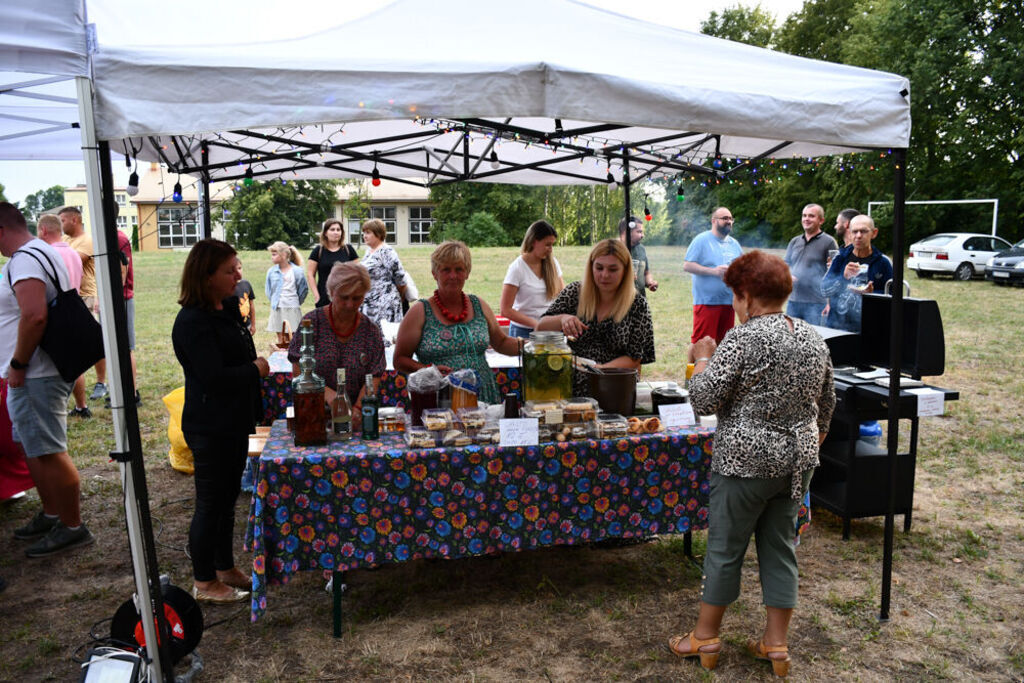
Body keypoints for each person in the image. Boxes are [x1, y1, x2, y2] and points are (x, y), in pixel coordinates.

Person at [667, 250, 835, 677]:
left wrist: (703, 355)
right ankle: (775, 645)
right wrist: (807, 441)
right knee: (781, 548)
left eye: (734, 297)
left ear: (744, 295)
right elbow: (829, 402)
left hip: (744, 461)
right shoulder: (812, 336)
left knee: (724, 549)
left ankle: (705, 637)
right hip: (797, 462)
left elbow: (704, 399)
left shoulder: (742, 339)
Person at [172, 239, 269, 603]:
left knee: (227, 500)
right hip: (210, 425)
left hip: (233, 421)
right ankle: (204, 582)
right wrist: (255, 369)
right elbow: (214, 377)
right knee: (210, 503)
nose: (238, 275)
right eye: (230, 271)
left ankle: (224, 567)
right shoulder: (193, 322)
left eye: (237, 267)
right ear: (207, 275)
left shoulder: (224, 310)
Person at [0, 202, 94, 558]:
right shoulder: (41, 250)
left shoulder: (24, 260)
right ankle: (53, 513)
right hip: (37, 372)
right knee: (34, 446)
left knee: (50, 450)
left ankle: (72, 526)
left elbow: (35, 316)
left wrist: (18, 364)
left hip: (36, 372)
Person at [394, 240, 523, 405]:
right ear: (435, 273)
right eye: (446, 270)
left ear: (467, 273)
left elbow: (502, 342)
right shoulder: (420, 312)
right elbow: (400, 359)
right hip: (440, 396)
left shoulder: (479, 305)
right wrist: (429, 371)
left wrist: (536, 346)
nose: (453, 276)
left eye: (459, 269)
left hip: (482, 394)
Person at [537, 239, 655, 397]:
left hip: (615, 386)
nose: (604, 275)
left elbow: (634, 359)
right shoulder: (574, 292)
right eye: (599, 268)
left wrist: (598, 370)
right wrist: (562, 319)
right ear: (591, 266)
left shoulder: (637, 305)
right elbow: (540, 328)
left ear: (625, 271)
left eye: (613, 269)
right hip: (570, 387)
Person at [288, 262, 385, 411]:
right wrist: (330, 396)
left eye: (357, 298)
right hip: (315, 413)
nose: (349, 305)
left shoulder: (370, 331)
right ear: (331, 292)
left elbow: (374, 376)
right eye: (344, 297)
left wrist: (359, 410)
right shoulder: (311, 324)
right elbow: (298, 368)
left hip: (354, 414)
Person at [59, 206, 108, 405]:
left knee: (92, 342)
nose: (61, 225)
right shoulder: (64, 241)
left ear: (75, 220)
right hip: (70, 296)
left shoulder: (87, 240)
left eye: (63, 221)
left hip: (86, 295)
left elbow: (70, 261)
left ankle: (101, 382)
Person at [821, 215, 894, 332]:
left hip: (869, 329)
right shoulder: (840, 258)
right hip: (836, 327)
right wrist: (843, 277)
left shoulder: (883, 262)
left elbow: (893, 299)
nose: (858, 236)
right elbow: (824, 291)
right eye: (855, 231)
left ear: (874, 233)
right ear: (849, 233)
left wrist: (871, 294)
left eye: (864, 231)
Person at [683, 207, 743, 343]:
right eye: (724, 218)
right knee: (702, 344)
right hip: (707, 302)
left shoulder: (735, 244)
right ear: (714, 221)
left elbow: (743, 269)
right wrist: (714, 272)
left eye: (730, 219)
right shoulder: (701, 240)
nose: (729, 221)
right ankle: (692, 366)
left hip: (729, 302)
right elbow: (687, 265)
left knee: (724, 346)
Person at [500, 220, 564, 339]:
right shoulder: (517, 268)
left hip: (550, 331)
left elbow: (563, 296)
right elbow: (505, 310)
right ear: (534, 242)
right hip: (523, 332)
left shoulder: (553, 264)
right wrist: (537, 324)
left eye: (552, 245)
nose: (550, 249)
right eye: (547, 244)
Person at [783, 204, 837, 324]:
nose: (806, 219)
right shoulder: (795, 241)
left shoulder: (829, 242)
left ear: (821, 220)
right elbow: (785, 264)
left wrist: (830, 303)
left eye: (811, 216)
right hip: (793, 301)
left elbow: (834, 273)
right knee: (791, 339)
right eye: (804, 215)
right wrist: (786, 275)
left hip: (816, 303)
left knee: (813, 339)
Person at [358, 218, 408, 325]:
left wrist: (397, 297)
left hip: (384, 304)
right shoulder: (369, 251)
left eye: (368, 233)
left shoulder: (386, 251)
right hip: (368, 303)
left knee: (384, 338)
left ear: (378, 234)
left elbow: (400, 279)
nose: (364, 236)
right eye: (364, 233)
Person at [306, 218, 359, 308]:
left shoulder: (348, 249)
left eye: (338, 230)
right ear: (325, 233)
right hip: (324, 297)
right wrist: (316, 295)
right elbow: (310, 274)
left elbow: (358, 273)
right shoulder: (318, 251)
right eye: (332, 229)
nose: (336, 232)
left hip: (346, 297)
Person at [265, 241, 308, 345]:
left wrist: (296, 302)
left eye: (274, 254)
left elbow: (303, 290)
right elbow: (269, 290)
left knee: (293, 338)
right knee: (281, 340)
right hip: (278, 308)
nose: (272, 257)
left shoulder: (297, 271)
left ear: (284, 255)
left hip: (292, 307)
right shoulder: (271, 272)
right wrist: (275, 301)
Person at [618, 215, 658, 296]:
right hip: (620, 301)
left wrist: (650, 282)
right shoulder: (613, 249)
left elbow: (646, 273)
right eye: (639, 232)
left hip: (640, 301)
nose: (642, 235)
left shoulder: (641, 249)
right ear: (626, 232)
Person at [233, 258, 257, 336]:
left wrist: (253, 325)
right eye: (234, 269)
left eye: (239, 268)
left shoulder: (246, 284)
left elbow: (251, 305)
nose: (238, 271)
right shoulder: (226, 288)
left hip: (247, 325)